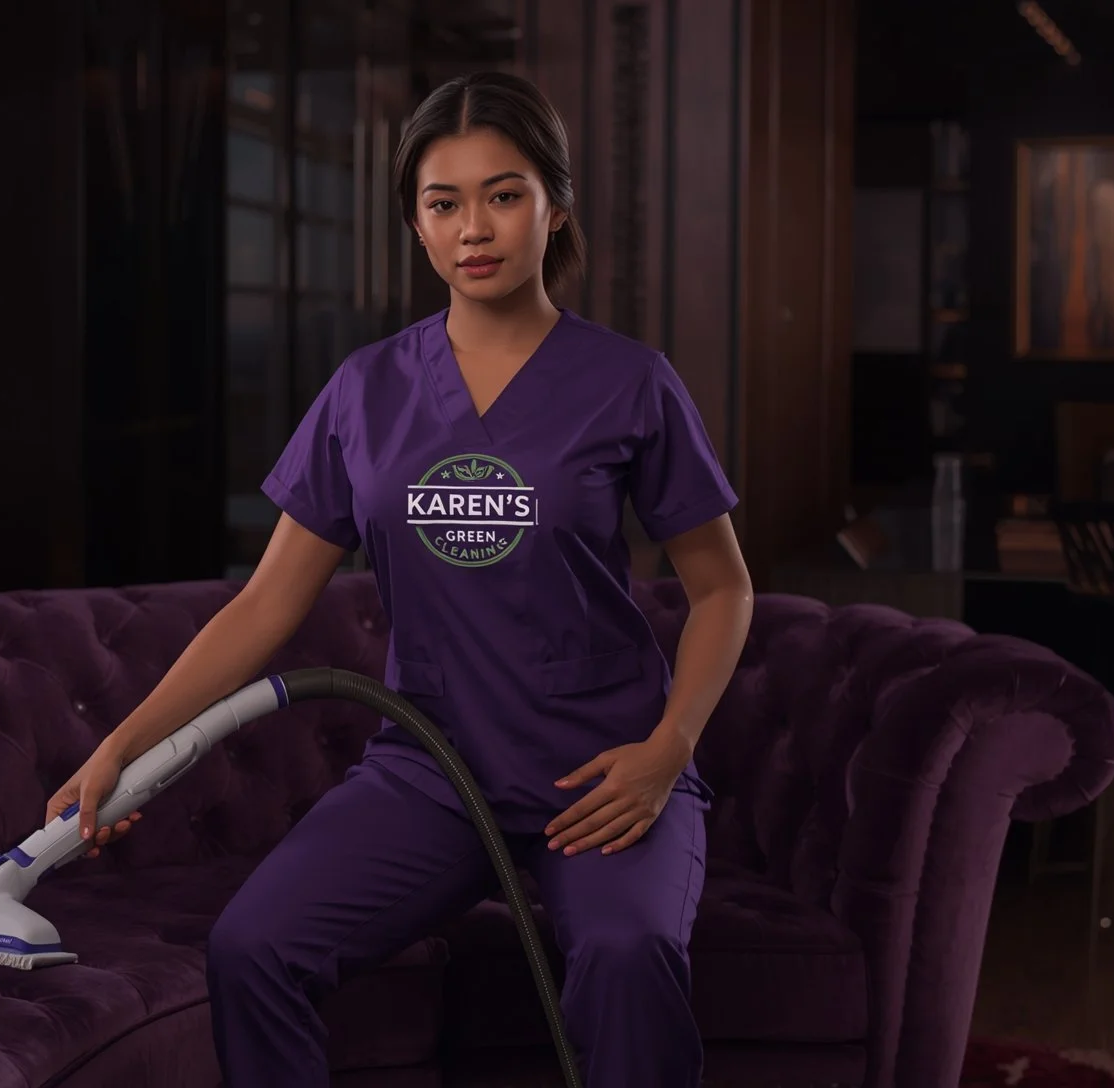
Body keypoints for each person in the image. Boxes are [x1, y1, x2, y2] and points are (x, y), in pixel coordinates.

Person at [43, 69, 753, 1087]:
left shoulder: (630, 382)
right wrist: (119, 748)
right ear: (415, 225)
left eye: (504, 194)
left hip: (605, 765)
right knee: (255, 948)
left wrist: (667, 746)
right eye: (444, 201)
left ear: (553, 207)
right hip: (434, 768)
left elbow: (725, 588)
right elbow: (267, 602)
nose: (476, 227)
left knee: (629, 952)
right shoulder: (365, 390)